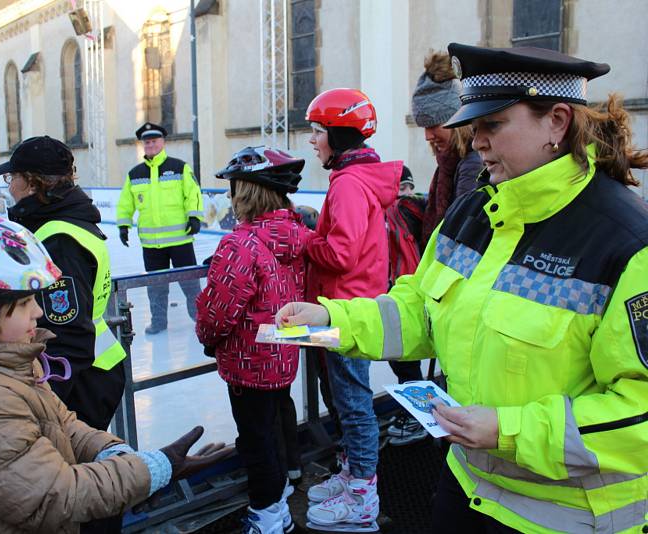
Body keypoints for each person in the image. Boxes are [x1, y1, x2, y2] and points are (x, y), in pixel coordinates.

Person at [277, 43, 648, 533]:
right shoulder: (473, 213)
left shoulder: (627, 244)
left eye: (492, 125)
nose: (476, 142)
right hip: (467, 489)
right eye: (473, 128)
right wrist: (328, 323)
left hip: (565, 518)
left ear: (557, 122)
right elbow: (419, 311)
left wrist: (507, 431)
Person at [0, 215, 230, 533]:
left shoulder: (5, 361)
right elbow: (58, 496)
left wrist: (117, 455)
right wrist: (153, 471)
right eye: (24, 303)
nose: (39, 312)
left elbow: (64, 424)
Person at [0, 137, 129, 532]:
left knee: (83, 483)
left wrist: (47, 402)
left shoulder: (58, 238)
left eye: (12, 178)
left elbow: (67, 332)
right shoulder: (66, 222)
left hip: (81, 378)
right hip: (95, 368)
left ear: (33, 184)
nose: (10, 187)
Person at [196, 146, 309, 534]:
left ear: (244, 193)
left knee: (256, 439)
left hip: (248, 361)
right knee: (273, 427)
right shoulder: (298, 236)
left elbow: (219, 311)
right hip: (284, 354)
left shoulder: (238, 245)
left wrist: (207, 337)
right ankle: (279, 498)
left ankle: (268, 515)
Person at [303, 88, 402, 532]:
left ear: (339, 136)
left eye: (318, 132)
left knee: (353, 401)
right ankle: (352, 473)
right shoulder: (356, 180)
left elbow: (340, 254)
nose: (313, 141)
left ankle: (363, 491)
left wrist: (306, 240)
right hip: (349, 303)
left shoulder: (346, 184)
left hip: (344, 310)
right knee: (345, 397)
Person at [116, 122, 204, 334]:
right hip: (152, 245)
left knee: (191, 285)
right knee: (155, 287)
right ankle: (158, 322)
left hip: (180, 240)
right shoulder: (135, 174)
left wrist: (194, 217)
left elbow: (193, 194)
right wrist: (123, 225)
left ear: (163, 142)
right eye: (147, 142)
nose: (150, 145)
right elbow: (125, 203)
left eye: (154, 141)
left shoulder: (179, 167)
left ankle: (201, 320)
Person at [411, 51, 484, 249]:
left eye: (433, 125)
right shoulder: (451, 162)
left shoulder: (473, 164)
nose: (427, 136)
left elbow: (461, 229)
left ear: (457, 121)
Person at [383, 165, 429, 446]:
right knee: (403, 359)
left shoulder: (401, 210)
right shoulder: (415, 210)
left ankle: (418, 415)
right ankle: (416, 412)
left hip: (405, 289)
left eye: (406, 188)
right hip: (410, 288)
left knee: (405, 359)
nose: (406, 195)